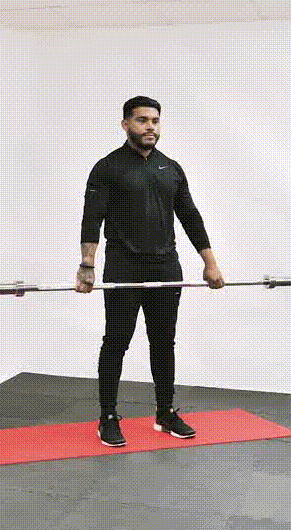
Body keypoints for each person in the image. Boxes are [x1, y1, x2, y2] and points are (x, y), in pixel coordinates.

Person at [77, 96, 225, 447]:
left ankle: (165, 412)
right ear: (125, 124)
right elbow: (91, 219)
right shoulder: (107, 168)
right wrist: (87, 265)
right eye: (142, 120)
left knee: (163, 341)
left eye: (155, 121)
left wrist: (210, 263)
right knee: (116, 341)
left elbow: (190, 217)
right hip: (124, 266)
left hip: (165, 266)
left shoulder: (170, 168)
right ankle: (108, 417)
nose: (150, 127)